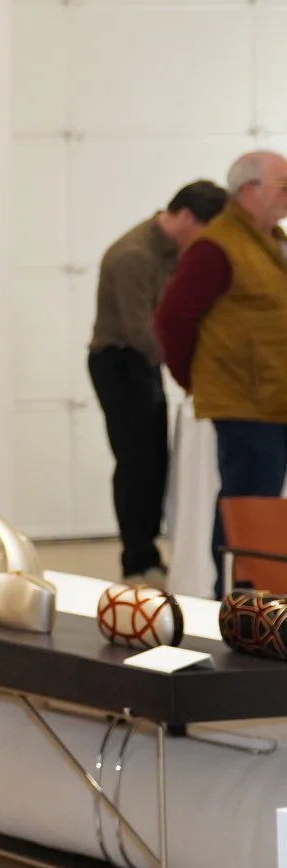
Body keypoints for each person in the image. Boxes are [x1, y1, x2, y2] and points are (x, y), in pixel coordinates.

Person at [155, 150, 287, 563]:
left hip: (273, 398)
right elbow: (172, 319)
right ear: (248, 191)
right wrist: (195, 379)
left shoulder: (272, 242)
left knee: (261, 505)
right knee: (247, 505)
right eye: (282, 186)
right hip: (246, 403)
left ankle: (260, 600)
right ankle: (234, 600)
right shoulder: (216, 247)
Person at [91, 182, 225, 580]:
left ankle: (146, 554)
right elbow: (141, 332)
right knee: (136, 462)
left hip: (141, 362)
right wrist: (191, 370)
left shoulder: (171, 250)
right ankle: (137, 559)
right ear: (186, 217)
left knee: (154, 461)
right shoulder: (135, 255)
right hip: (118, 363)